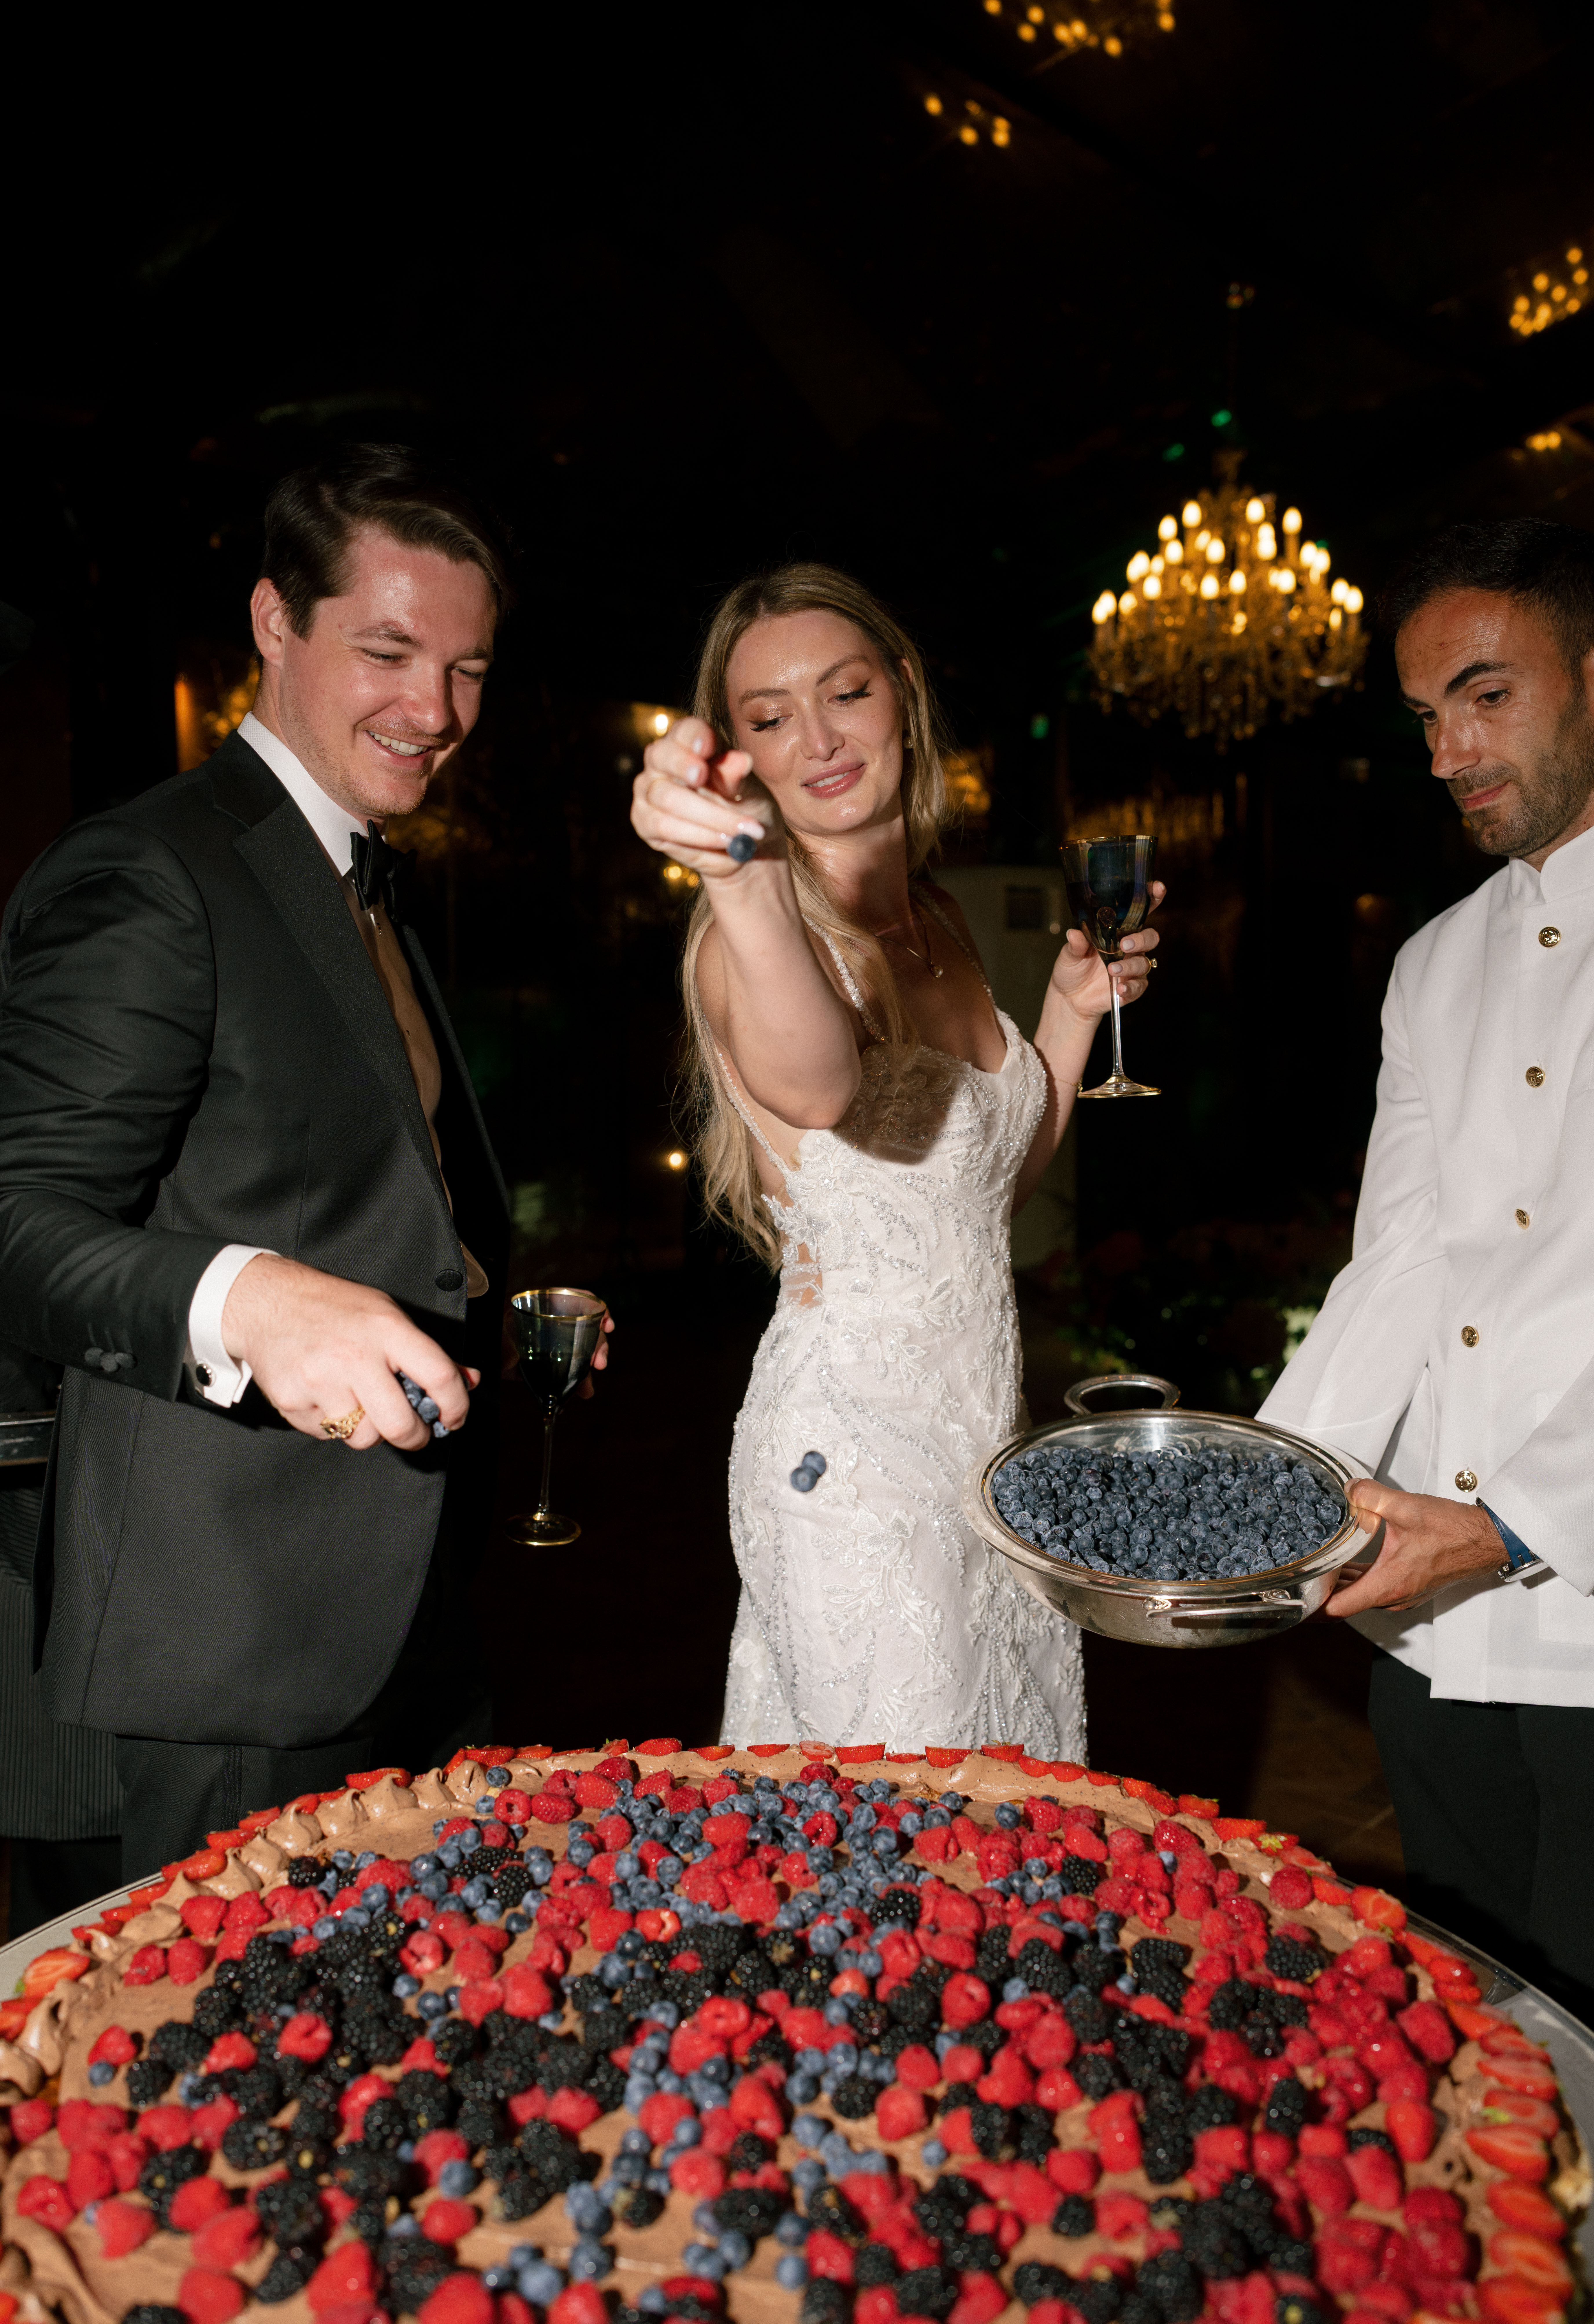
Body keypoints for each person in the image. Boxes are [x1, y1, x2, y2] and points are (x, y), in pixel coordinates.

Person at [0, 443, 544, 1882]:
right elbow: (14, 1220)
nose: (434, 711)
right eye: (386, 649)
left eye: (469, 668)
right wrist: (247, 1301)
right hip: (229, 1641)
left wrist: (482, 1287)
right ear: (271, 625)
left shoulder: (358, 878)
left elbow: (351, 1178)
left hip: (406, 1600)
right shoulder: (153, 873)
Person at [631, 564, 1162, 1752]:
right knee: (908, 1862)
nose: (814, 740)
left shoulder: (938, 915)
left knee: (1004, 1825)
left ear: (903, 695)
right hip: (854, 1470)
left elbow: (981, 1202)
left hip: (982, 1448)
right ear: (737, 758)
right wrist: (745, 876)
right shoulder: (744, 938)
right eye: (768, 719)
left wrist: (1069, 1015)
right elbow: (821, 1085)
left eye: (845, 693)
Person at [1262, 518, 1594, 2025]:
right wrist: (1271, 1488)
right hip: (1439, 1630)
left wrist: (1520, 1520)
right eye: (1426, 717)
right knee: (1468, 2013)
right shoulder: (1434, 960)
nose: (1451, 750)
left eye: (1488, 695)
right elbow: (1396, 1258)